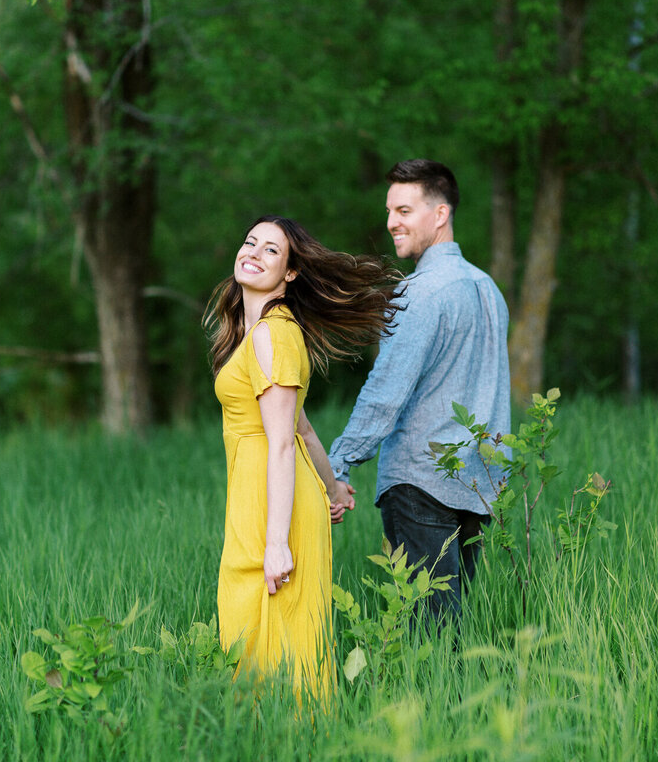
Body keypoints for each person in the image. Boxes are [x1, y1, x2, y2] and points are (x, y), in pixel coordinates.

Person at [205, 215, 399, 695]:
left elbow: (280, 445)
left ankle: (296, 733)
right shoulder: (255, 334)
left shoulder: (273, 333)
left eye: (272, 250)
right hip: (258, 494)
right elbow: (303, 429)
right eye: (250, 241)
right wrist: (333, 485)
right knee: (251, 624)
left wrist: (276, 543)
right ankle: (264, 734)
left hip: (274, 503)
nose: (253, 252)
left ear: (291, 273)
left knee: (279, 633)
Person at [327, 159, 511, 626]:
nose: (391, 222)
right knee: (456, 624)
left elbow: (385, 393)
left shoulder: (418, 293)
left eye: (404, 210)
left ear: (440, 213)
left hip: (419, 482)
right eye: (390, 211)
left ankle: (430, 701)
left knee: (429, 632)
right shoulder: (488, 290)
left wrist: (337, 463)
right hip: (477, 482)